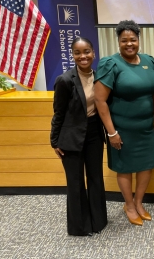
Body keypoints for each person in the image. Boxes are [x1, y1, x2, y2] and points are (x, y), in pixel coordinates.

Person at [94, 20, 154, 226]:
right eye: (124, 40)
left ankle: (139, 203)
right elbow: (100, 100)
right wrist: (112, 133)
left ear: (138, 40)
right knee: (125, 168)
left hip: (146, 127)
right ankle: (129, 205)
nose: (129, 44)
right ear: (118, 42)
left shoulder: (148, 61)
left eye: (133, 39)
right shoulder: (111, 63)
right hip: (122, 128)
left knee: (145, 166)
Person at [50, 37, 108, 236]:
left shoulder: (100, 77)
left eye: (86, 52)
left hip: (94, 134)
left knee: (95, 178)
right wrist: (55, 141)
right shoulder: (65, 80)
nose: (82, 56)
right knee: (75, 182)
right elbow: (58, 113)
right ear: (73, 55)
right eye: (77, 52)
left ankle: (98, 222)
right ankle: (80, 227)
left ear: (93, 53)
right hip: (71, 136)